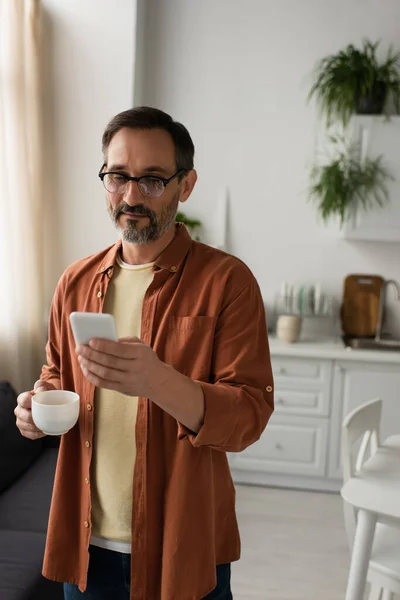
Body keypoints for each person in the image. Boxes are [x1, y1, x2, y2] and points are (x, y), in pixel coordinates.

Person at [15, 106, 274, 600]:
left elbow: (249, 416)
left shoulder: (227, 282)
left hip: (185, 543)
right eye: (118, 177)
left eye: (153, 180)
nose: (131, 196)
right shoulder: (75, 280)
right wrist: (37, 404)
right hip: (86, 546)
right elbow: (55, 375)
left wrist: (158, 380)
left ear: (186, 184)